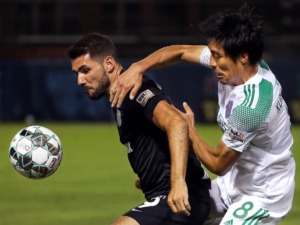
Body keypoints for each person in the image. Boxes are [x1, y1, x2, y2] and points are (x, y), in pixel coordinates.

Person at [109, 5, 296, 225]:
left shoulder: (252, 107)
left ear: (243, 57)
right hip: (232, 183)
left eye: (218, 56)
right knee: (175, 213)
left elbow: (218, 163)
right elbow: (179, 51)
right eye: (212, 54)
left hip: (264, 193)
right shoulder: (235, 64)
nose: (212, 62)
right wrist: (138, 68)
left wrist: (189, 130)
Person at [67, 33, 211, 225]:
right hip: (167, 195)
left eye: (85, 70)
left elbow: (177, 123)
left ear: (108, 64)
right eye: (77, 73)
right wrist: (149, 177)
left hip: (183, 196)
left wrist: (177, 184)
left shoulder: (132, 90)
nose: (80, 80)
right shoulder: (120, 96)